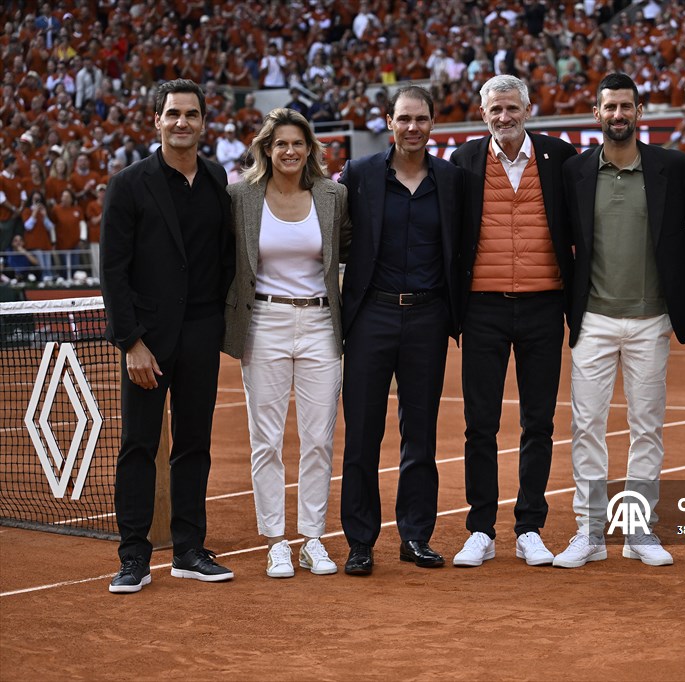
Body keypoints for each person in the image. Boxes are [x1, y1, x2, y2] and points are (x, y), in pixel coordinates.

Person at [552, 72, 685, 569]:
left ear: (640, 112)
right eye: (609, 107)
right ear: (597, 114)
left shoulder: (672, 168)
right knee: (586, 426)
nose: (618, 115)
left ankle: (639, 532)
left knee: (646, 428)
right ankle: (590, 532)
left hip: (651, 320)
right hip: (592, 319)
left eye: (626, 107)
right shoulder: (575, 171)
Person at [101, 79, 235, 593]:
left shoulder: (217, 178)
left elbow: (223, 256)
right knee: (138, 445)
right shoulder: (128, 184)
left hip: (201, 333)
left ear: (204, 123)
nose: (182, 122)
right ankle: (133, 556)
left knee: (194, 445)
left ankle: (188, 550)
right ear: (156, 120)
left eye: (192, 114)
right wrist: (131, 341)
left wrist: (218, 322)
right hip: (147, 341)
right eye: (173, 113)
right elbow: (113, 270)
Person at [448, 75, 576, 568]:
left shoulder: (560, 157)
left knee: (537, 422)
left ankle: (529, 527)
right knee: (479, 424)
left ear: (529, 109)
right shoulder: (464, 161)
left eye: (511, 108)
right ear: (483, 114)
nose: (504, 117)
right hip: (483, 308)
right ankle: (481, 528)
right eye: (495, 109)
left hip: (545, 306)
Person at [222, 108, 352, 579]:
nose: (290, 151)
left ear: (311, 149)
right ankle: (276, 540)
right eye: (281, 144)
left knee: (319, 438)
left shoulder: (334, 195)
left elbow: (353, 250)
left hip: (321, 321)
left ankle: (312, 538)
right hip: (264, 322)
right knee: (267, 440)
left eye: (298, 143)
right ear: (266, 149)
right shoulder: (240, 195)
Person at [338, 86, 463, 576]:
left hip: (429, 318)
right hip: (371, 317)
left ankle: (415, 535)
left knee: (421, 435)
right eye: (405, 118)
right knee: (363, 435)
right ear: (388, 120)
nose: (414, 128)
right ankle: (360, 542)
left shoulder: (452, 179)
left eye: (423, 119)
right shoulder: (360, 174)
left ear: (433, 124)